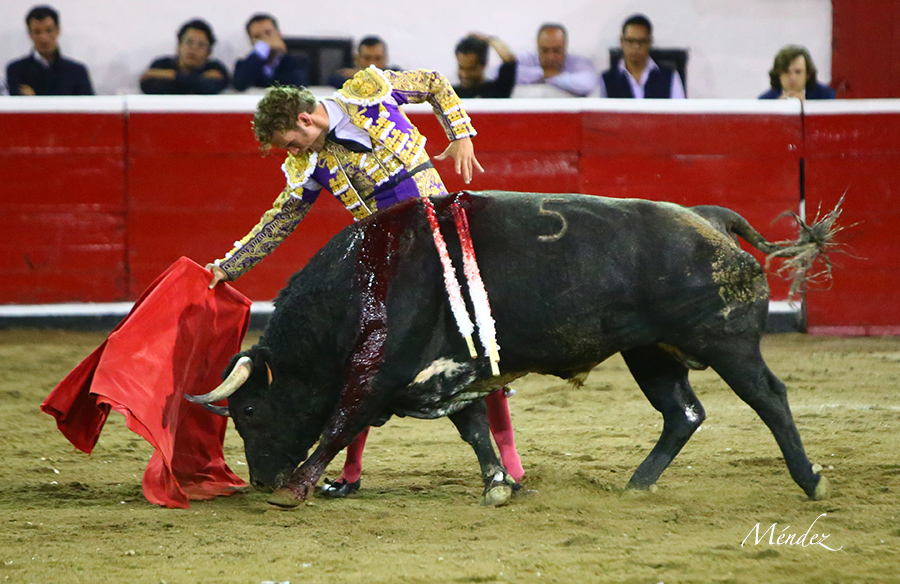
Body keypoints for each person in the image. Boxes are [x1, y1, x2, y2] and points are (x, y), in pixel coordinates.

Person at [205, 67, 524, 497]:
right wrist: (229, 266)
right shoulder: (308, 163)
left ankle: (512, 466)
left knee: (479, 350)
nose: (290, 152)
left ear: (304, 120)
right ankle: (350, 473)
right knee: (360, 360)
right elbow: (281, 218)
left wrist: (461, 132)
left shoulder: (369, 92)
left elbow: (431, 82)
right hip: (388, 261)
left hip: (442, 241)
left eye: (288, 142)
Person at [6, 5, 93, 96]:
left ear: (58, 30)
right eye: (37, 32)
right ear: (29, 34)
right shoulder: (16, 70)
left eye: (49, 30)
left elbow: (88, 107)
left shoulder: (77, 72)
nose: (43, 38)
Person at [600, 14, 685, 99]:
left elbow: (680, 110)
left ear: (650, 43)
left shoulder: (670, 77)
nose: (636, 46)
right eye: (630, 41)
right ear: (622, 42)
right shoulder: (607, 80)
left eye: (642, 41)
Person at [140, 19, 229, 94]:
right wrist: (198, 78)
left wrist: (170, 75)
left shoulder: (216, 68)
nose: (194, 49)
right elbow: (148, 86)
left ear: (208, 52)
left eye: (201, 45)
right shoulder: (161, 65)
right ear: (179, 46)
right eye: (189, 42)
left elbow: (209, 88)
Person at [514, 23, 597, 97]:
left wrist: (551, 77)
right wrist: (543, 73)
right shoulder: (527, 59)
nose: (551, 57)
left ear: (565, 47)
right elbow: (507, 73)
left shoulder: (579, 63)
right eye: (545, 50)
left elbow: (588, 84)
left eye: (556, 51)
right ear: (537, 47)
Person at [233, 13, 310, 91]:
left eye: (268, 33)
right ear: (251, 41)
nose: (265, 39)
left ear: (279, 34)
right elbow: (239, 84)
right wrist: (260, 53)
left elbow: (298, 85)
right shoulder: (244, 64)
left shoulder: (296, 61)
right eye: (257, 37)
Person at [759, 45, 835, 100]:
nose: (792, 78)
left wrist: (806, 107)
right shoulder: (765, 101)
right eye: (786, 72)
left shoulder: (825, 96)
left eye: (798, 72)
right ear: (778, 75)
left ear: (807, 74)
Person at [453, 33, 517, 99]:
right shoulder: (451, 94)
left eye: (471, 69)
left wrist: (488, 39)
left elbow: (509, 59)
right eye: (461, 68)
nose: (464, 75)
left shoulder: (498, 90)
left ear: (483, 65)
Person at [328, 36, 399, 88]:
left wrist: (364, 74)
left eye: (378, 58)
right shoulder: (346, 75)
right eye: (367, 58)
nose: (372, 64)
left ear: (385, 59)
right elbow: (334, 80)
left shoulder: (394, 74)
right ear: (356, 58)